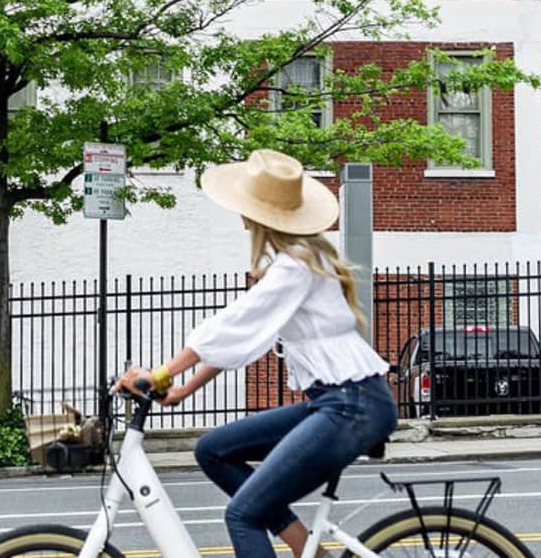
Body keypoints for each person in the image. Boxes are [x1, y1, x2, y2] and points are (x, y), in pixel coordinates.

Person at [113, 148, 397, 558]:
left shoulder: (295, 265)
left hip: (351, 408)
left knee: (243, 514)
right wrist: (180, 390)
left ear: (257, 213)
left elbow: (236, 322)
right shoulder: (297, 261)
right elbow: (245, 338)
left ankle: (308, 549)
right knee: (213, 450)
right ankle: (308, 549)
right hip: (340, 403)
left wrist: (160, 374)